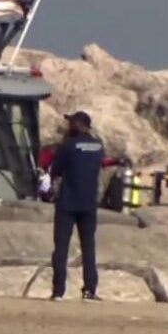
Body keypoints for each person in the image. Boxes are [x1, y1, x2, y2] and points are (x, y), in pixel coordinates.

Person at [49, 111, 105, 302]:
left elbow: (56, 169)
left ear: (78, 124)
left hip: (67, 201)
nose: (68, 125)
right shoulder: (98, 146)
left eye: (71, 122)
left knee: (61, 247)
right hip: (89, 203)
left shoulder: (68, 145)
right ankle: (90, 289)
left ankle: (58, 291)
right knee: (89, 247)